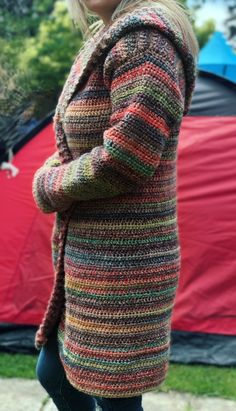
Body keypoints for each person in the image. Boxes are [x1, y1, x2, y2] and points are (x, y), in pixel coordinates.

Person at [33, 1, 198, 410]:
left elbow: (127, 157)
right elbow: (76, 143)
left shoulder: (145, 41)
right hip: (89, 260)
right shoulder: (107, 36)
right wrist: (55, 170)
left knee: (115, 400)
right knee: (55, 373)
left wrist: (49, 184)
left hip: (124, 267)